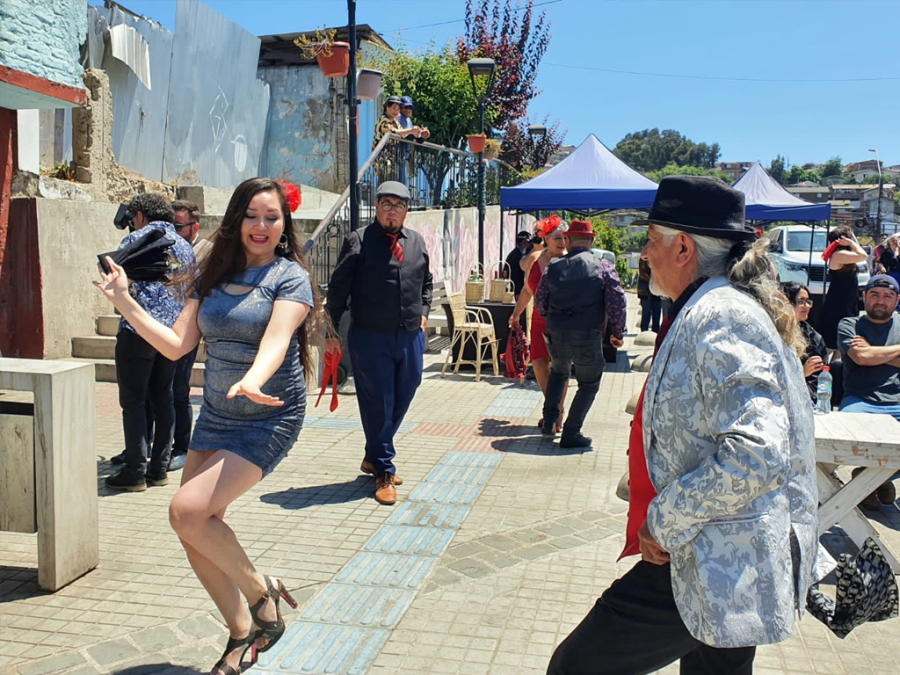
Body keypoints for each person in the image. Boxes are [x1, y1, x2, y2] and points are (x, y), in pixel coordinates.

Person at [548, 176, 820, 675]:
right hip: (727, 552)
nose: (644, 255)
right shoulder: (712, 305)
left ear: (684, 248)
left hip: (708, 550)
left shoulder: (721, 314)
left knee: (574, 667)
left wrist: (664, 519)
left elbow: (757, 452)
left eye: (651, 242)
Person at [96, 178, 319, 675]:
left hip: (269, 415)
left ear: (284, 226)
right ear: (236, 220)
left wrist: (253, 380)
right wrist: (124, 301)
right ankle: (242, 633)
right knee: (190, 527)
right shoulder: (211, 274)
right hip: (218, 414)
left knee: (187, 511)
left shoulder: (289, 278)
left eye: (271, 217)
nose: (260, 226)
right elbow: (177, 345)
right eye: (251, 216)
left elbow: (276, 341)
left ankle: (264, 598)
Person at [325, 181, 432, 506]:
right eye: (387, 204)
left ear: (406, 211)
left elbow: (426, 281)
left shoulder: (416, 242)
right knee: (378, 403)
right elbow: (339, 287)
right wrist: (330, 331)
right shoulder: (358, 240)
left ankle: (373, 455)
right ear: (377, 207)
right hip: (370, 337)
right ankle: (384, 471)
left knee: (405, 392)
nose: (392, 211)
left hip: (410, 336)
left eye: (399, 206)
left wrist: (424, 312)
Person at [105, 194, 196, 492]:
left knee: (133, 402)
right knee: (163, 397)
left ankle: (134, 470)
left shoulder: (135, 240)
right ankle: (158, 470)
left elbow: (115, 280)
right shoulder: (184, 246)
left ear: (141, 216)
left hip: (137, 331)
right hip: (169, 335)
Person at [534, 220, 626, 447]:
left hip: (557, 333)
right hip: (587, 333)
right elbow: (617, 301)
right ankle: (571, 433)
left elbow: (540, 301)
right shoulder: (603, 267)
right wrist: (618, 332)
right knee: (588, 384)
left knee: (558, 372)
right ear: (592, 240)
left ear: (567, 240)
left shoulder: (552, 267)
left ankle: (549, 422)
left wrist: (552, 319)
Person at [838, 274, 900, 509]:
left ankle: (873, 477)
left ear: (897, 300)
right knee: (841, 439)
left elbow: (868, 354)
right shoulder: (849, 324)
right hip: (860, 401)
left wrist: (875, 352)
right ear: (865, 297)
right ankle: (876, 479)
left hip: (897, 401)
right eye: (874, 295)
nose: (880, 301)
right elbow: (861, 357)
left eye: (887, 296)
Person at [166, 199, 212, 471]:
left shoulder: (207, 252)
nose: (174, 230)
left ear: (195, 227)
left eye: (179, 226)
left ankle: (182, 447)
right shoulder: (166, 245)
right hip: (164, 324)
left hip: (189, 327)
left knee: (179, 390)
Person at [510, 216, 568, 430]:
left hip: (562, 320)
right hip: (538, 319)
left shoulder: (569, 259)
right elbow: (527, 290)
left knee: (560, 366)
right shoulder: (535, 258)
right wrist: (516, 313)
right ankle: (551, 405)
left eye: (564, 238)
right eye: (556, 238)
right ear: (546, 238)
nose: (562, 243)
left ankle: (558, 411)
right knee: (538, 362)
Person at [816, 225, 868, 351]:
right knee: (833, 340)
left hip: (847, 299)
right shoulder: (839, 254)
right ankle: (823, 366)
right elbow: (863, 256)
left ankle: (835, 368)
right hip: (839, 301)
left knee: (843, 343)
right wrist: (851, 242)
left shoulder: (845, 254)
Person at [782, 281, 827, 400]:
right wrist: (801, 373)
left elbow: (820, 381)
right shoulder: (774, 333)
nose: (806, 306)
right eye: (801, 301)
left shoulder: (814, 338)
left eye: (808, 302)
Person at [636, 258, 662, 332]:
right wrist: (654, 279)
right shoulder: (643, 258)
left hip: (657, 289)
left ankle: (656, 331)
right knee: (646, 311)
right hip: (645, 290)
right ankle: (644, 331)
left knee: (657, 311)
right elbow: (642, 274)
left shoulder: (659, 256)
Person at [505, 231, 533, 297]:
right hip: (516, 290)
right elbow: (513, 275)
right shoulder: (514, 256)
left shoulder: (527, 253)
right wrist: (517, 291)